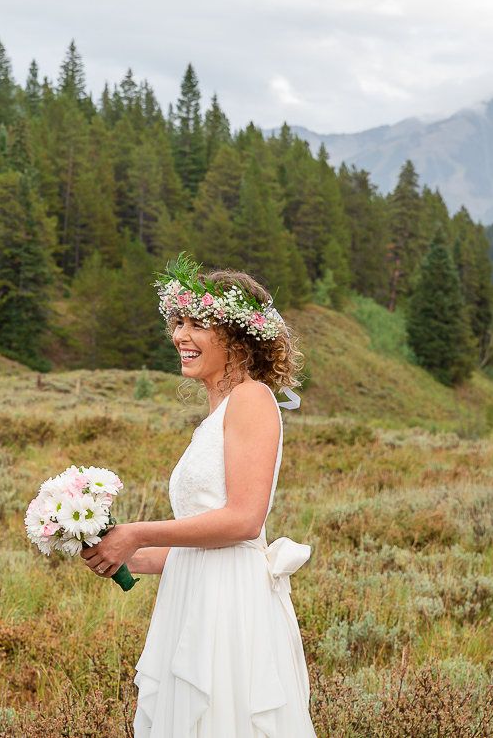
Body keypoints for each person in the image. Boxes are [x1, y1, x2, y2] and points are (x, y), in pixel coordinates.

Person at [82, 255, 316, 737]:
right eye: (178, 323)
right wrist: (121, 552)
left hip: (230, 608)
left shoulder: (251, 398)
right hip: (194, 599)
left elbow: (244, 522)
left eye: (197, 325)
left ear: (237, 337)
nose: (180, 337)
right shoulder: (218, 415)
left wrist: (138, 533)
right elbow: (205, 541)